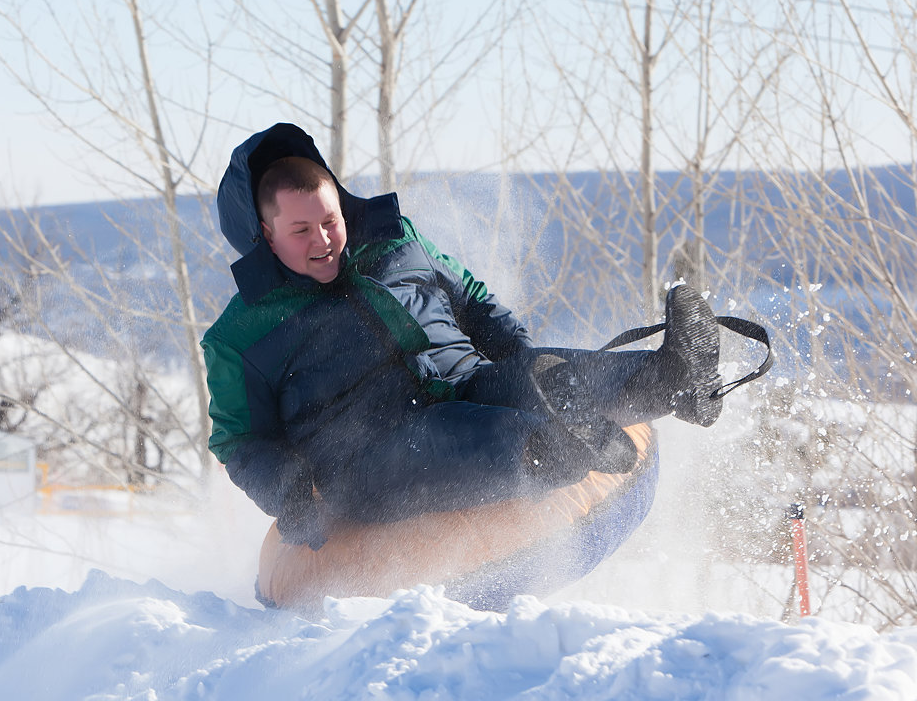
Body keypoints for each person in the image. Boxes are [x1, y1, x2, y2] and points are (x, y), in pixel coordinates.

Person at [203, 122, 767, 550]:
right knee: (453, 433)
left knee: (532, 378)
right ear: (265, 235)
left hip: (466, 379)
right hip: (370, 452)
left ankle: (673, 380)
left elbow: (471, 300)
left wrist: (520, 362)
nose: (325, 239)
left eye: (330, 220)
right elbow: (239, 443)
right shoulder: (240, 335)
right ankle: (556, 449)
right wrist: (296, 498)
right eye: (302, 230)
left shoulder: (395, 242)